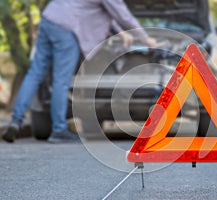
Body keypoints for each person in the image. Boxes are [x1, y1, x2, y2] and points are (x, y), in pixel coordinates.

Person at [2, 0, 157, 143]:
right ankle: (58, 130)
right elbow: (122, 14)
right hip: (66, 28)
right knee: (61, 80)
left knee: (35, 73)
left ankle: (16, 121)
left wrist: (121, 32)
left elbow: (99, 11)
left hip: (49, 18)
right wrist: (146, 38)